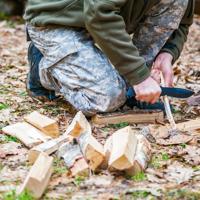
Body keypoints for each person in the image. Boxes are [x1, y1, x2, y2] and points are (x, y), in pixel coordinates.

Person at [24, 0, 194, 116]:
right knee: (105, 98)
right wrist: (139, 77)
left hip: (93, 19)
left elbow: (181, 16)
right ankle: (42, 69)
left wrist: (167, 52)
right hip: (55, 20)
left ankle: (132, 91)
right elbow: (100, 13)